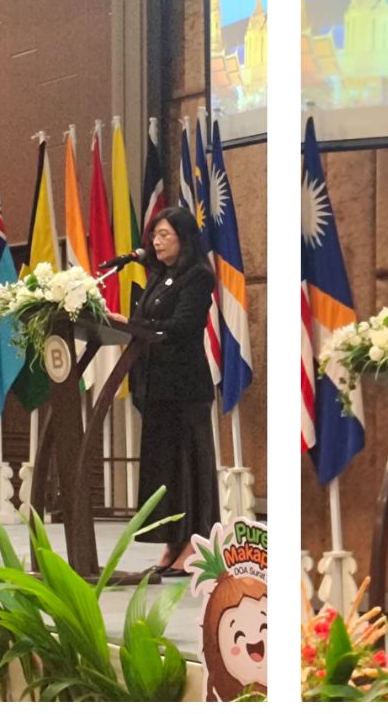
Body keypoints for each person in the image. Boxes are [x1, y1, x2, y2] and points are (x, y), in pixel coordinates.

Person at [111, 206, 219, 577]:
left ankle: (194, 544)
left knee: (188, 467)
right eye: (154, 235)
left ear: (184, 238)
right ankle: (172, 543)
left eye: (164, 235)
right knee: (165, 470)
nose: (156, 242)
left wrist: (135, 324)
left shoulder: (198, 276)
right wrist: (127, 324)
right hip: (156, 386)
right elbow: (147, 322)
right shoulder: (159, 276)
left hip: (185, 388)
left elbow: (183, 325)